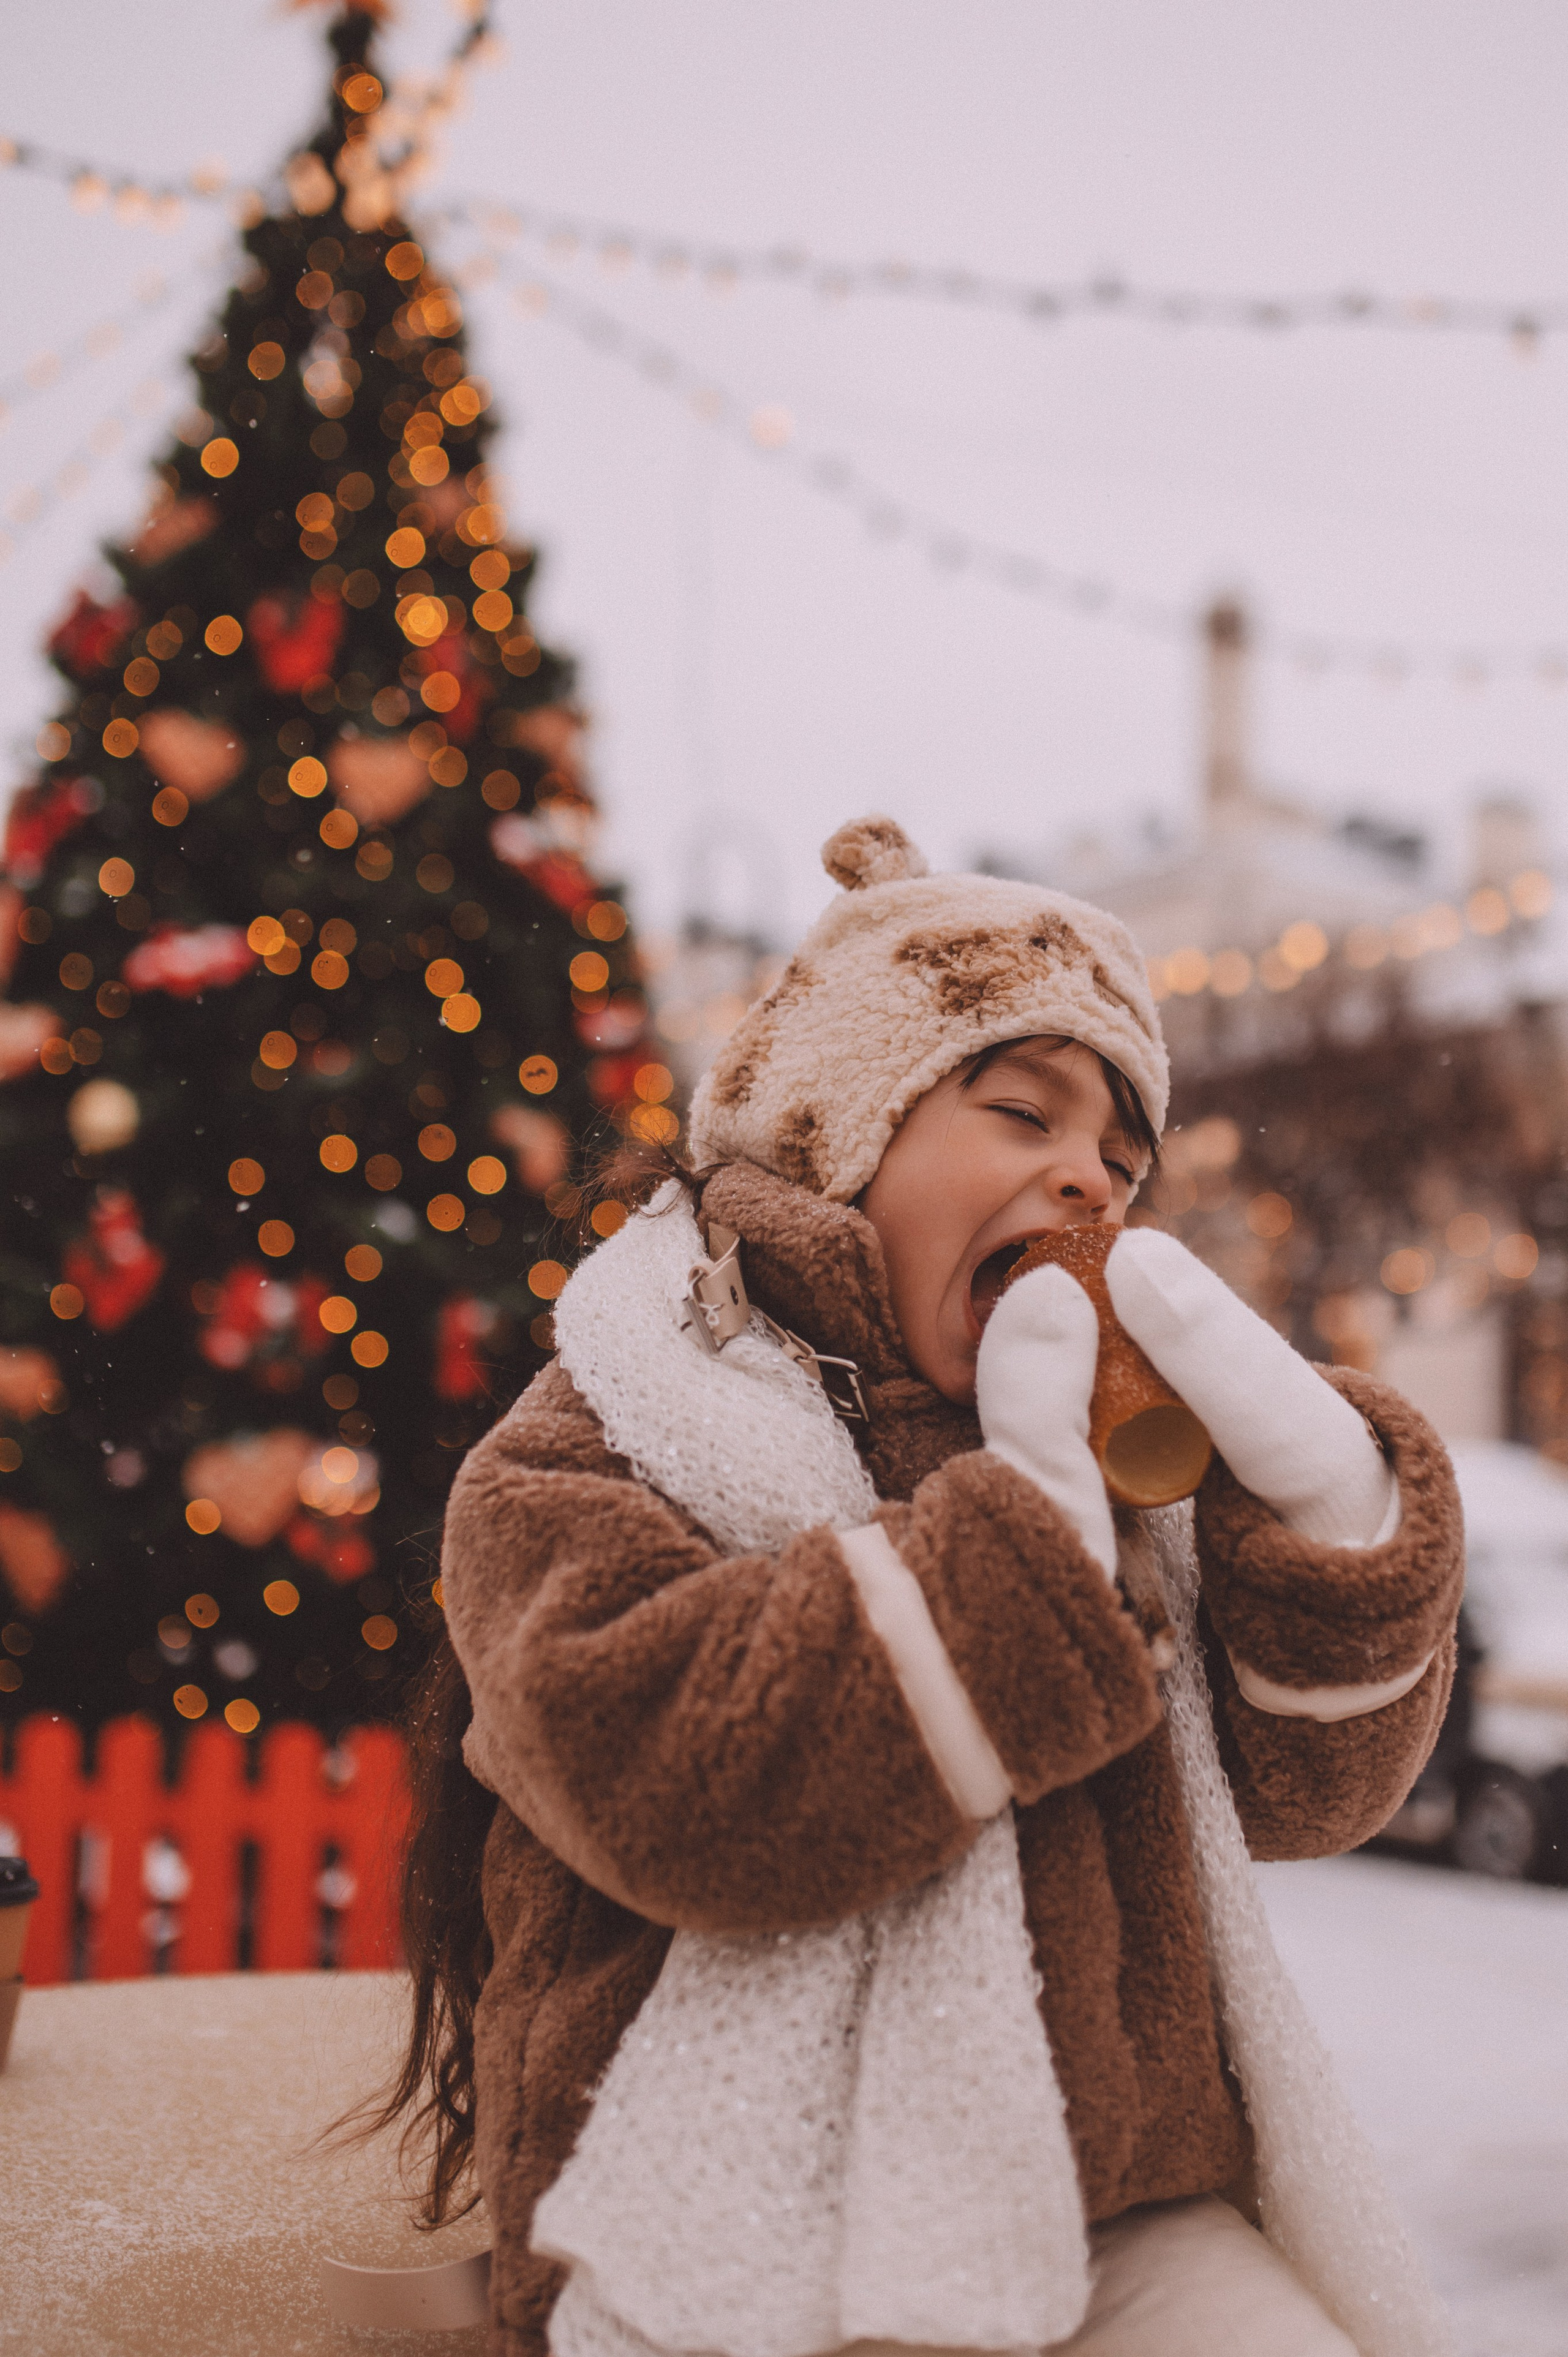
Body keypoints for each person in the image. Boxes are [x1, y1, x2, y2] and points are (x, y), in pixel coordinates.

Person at [393, 818, 1463, 2357]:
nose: (1086, 1180)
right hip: (745, 2234)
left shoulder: (1121, 1442)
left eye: (1118, 1152)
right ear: (836, 1124)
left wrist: (1334, 1542)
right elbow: (669, 1780)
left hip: (1126, 2204)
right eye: (1021, 1108)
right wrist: (1015, 1567)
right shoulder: (602, 1436)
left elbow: (1303, 1793)